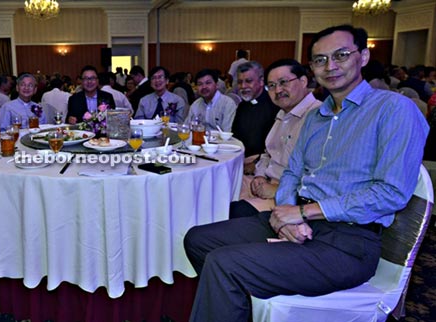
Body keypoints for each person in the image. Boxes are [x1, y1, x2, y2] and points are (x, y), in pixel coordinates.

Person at [183, 24, 428, 322]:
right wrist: (285, 216)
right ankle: (234, 311)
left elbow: (391, 194)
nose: (330, 66)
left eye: (341, 55)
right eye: (320, 60)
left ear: (362, 56)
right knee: (198, 239)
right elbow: (291, 175)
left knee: (225, 264)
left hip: (349, 242)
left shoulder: (394, 110)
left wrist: (304, 213)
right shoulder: (317, 117)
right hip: (301, 219)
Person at [233, 59, 322, 216]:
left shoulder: (319, 116)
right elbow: (269, 153)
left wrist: (277, 189)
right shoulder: (283, 114)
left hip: (289, 196)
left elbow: (320, 175)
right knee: (217, 190)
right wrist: (259, 175)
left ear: (303, 81)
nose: (278, 90)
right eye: (272, 85)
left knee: (232, 211)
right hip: (263, 181)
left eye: (283, 82)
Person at [231, 61, 280, 173]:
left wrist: (255, 163)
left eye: (248, 81)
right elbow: (235, 136)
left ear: (261, 81)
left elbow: (276, 146)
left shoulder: (275, 105)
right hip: (240, 161)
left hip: (264, 166)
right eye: (240, 82)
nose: (243, 86)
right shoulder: (242, 105)